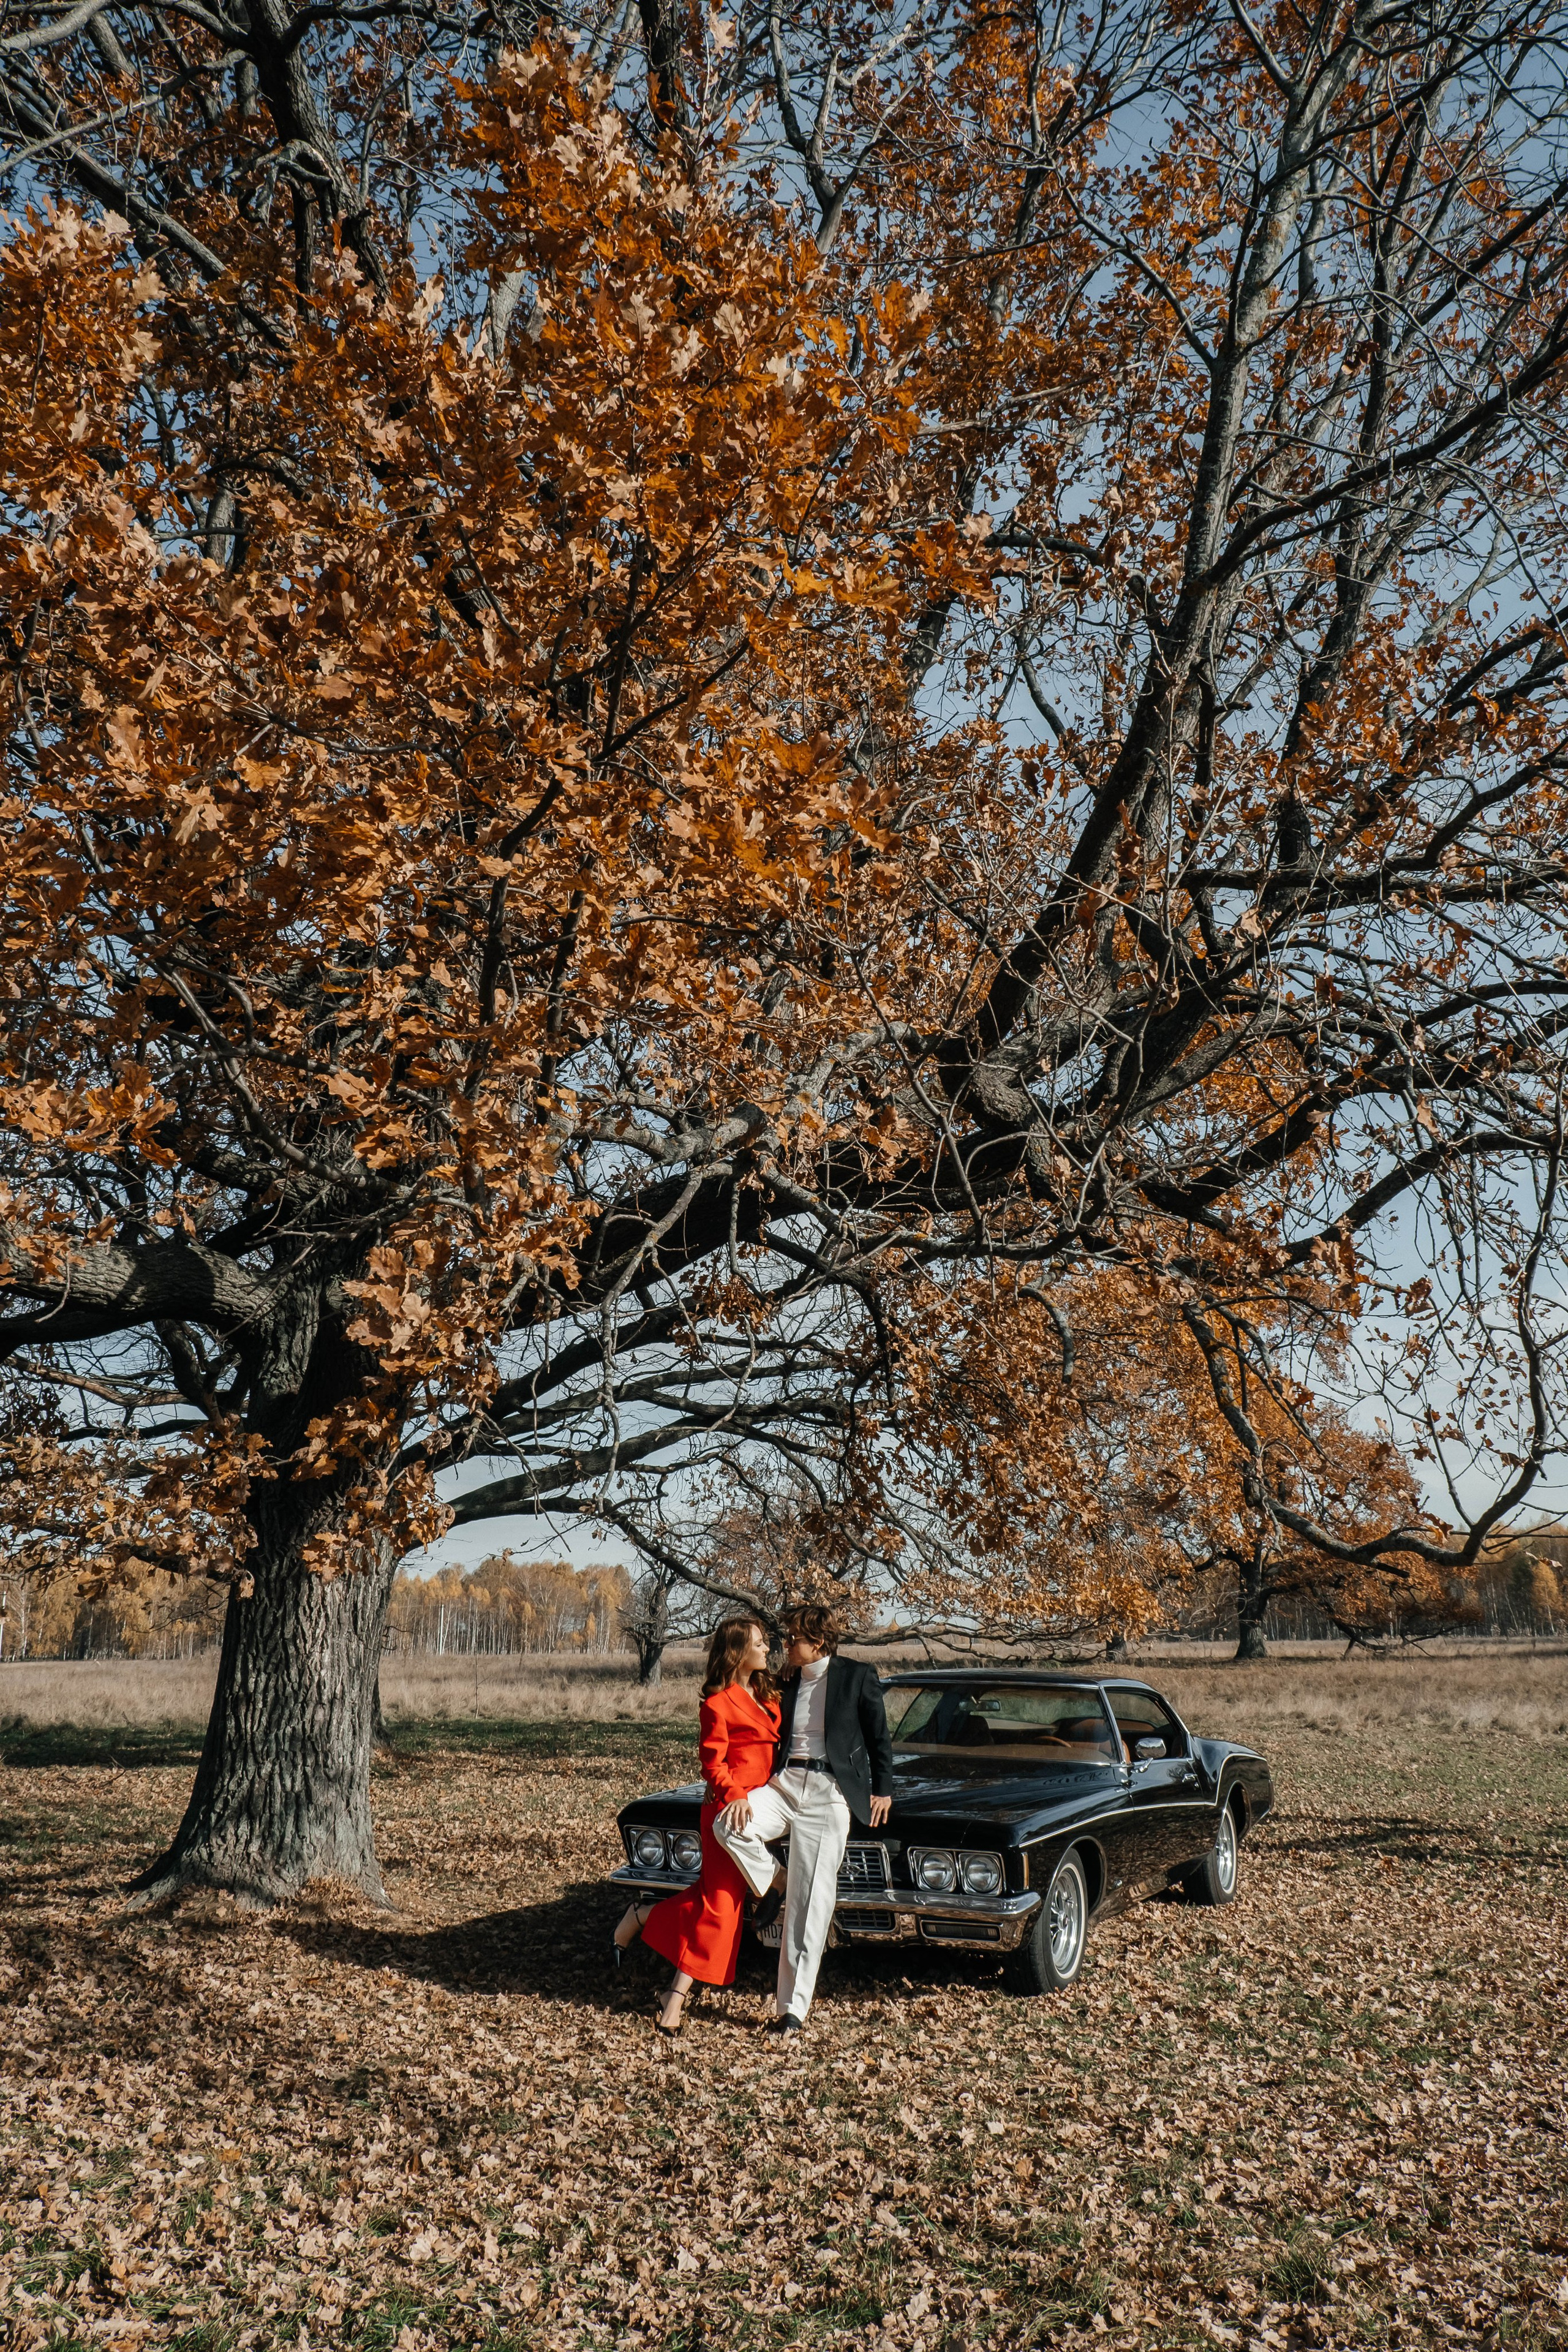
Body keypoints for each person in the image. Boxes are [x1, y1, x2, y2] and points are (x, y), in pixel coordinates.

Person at [715, 1602, 894, 2034]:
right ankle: (776, 1880)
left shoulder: (857, 1676)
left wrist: (883, 1788)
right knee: (728, 1825)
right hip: (785, 1783)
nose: (786, 1644)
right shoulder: (786, 1680)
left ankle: (791, 2011)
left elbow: (878, 1735)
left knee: (809, 1907)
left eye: (794, 1638)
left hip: (829, 1794)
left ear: (818, 1642)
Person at [611, 1615, 780, 2037]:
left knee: (713, 1900)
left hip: (769, 1812)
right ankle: (676, 1995)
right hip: (730, 1813)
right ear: (737, 1652)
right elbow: (713, 1765)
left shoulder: (769, 1694)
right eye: (759, 1643)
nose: (767, 1648)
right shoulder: (717, 1704)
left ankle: (644, 1915)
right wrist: (736, 1794)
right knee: (723, 1906)